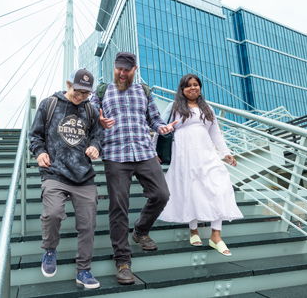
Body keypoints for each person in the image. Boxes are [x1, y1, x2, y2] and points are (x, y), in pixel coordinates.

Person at [90, 52, 176, 285]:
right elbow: (89, 117)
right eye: (119, 69)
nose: (122, 73)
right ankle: (123, 262)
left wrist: (162, 128)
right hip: (115, 155)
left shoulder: (144, 91)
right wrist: (98, 121)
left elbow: (154, 119)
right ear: (114, 68)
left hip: (144, 152)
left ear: (134, 69)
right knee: (119, 207)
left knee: (161, 194)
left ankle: (140, 231)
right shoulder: (102, 91)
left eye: (126, 70)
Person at [28, 68, 103, 289]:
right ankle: (50, 250)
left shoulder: (91, 110)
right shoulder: (49, 104)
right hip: (55, 172)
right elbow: (35, 136)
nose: (81, 97)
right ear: (69, 84)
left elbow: (98, 136)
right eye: (78, 91)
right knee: (52, 214)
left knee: (87, 225)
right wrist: (40, 152)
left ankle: (84, 270)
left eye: (86, 93)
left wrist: (94, 147)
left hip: (84, 176)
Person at [157, 73, 243, 256]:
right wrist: (154, 152)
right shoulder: (174, 108)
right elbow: (159, 128)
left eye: (196, 84)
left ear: (200, 87)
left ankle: (216, 235)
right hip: (184, 155)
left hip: (207, 154)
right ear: (182, 89)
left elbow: (216, 133)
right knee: (191, 189)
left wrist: (226, 152)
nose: (193, 88)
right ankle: (194, 230)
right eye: (188, 85)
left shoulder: (207, 108)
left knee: (220, 187)